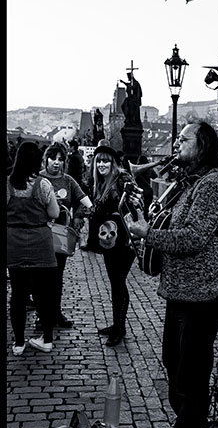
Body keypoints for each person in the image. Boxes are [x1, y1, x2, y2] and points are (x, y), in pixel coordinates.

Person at [126, 121, 218, 428]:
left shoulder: (214, 184)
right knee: (175, 363)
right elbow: (168, 227)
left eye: (183, 138)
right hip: (182, 291)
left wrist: (147, 234)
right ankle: (186, 427)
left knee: (191, 371)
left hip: (205, 293)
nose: (176, 142)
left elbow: (194, 237)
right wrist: (143, 220)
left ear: (202, 145)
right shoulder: (189, 185)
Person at [7, 141, 60, 355]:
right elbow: (55, 213)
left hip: (14, 242)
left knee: (18, 294)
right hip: (40, 241)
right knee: (43, 294)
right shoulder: (43, 184)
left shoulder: (8, 184)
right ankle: (46, 339)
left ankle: (19, 343)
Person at [88, 144, 137, 347]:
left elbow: (133, 205)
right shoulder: (100, 182)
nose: (101, 164)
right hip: (110, 241)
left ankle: (119, 328)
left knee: (118, 283)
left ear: (114, 163)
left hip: (123, 240)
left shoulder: (122, 179)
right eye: (99, 160)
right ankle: (117, 324)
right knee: (115, 282)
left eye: (106, 160)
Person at [40, 142, 92, 328]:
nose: (56, 162)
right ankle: (42, 314)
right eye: (53, 158)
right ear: (46, 159)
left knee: (57, 275)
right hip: (41, 235)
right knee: (43, 277)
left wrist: (79, 215)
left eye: (61, 159)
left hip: (61, 235)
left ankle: (55, 313)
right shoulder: (38, 179)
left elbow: (84, 200)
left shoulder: (68, 181)